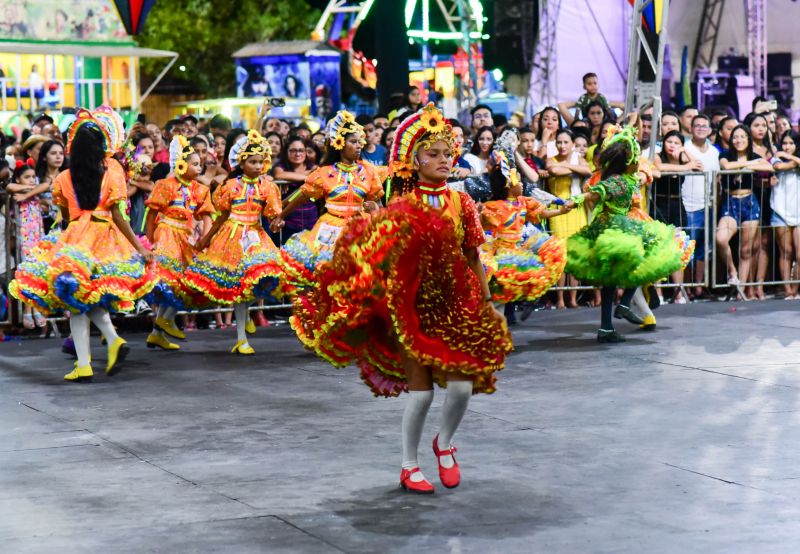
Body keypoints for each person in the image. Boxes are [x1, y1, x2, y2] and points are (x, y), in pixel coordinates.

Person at [288, 104, 512, 493]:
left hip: (455, 303)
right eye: (433, 154)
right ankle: (409, 465)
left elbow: (473, 254)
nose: (443, 160)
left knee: (461, 387)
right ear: (415, 161)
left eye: (447, 154)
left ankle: (444, 444)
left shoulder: (464, 204)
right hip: (413, 306)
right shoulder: (402, 208)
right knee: (421, 393)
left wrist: (487, 302)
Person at [9, 106, 156, 381]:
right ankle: (102, 347)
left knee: (76, 299)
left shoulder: (64, 178)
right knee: (84, 298)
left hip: (77, 237)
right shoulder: (111, 173)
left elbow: (65, 216)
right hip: (108, 238)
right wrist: (139, 247)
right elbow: (118, 215)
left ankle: (93, 356)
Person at [566, 126, 694, 343]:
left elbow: (645, 175)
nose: (638, 163)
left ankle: (609, 324)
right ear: (627, 161)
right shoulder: (616, 181)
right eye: (635, 159)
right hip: (616, 229)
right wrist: (574, 201)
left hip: (612, 227)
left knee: (613, 279)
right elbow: (595, 192)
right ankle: (621, 308)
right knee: (643, 260)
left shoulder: (626, 178)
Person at [183, 130, 283, 354]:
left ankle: (246, 315)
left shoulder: (268, 187)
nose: (257, 166)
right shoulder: (229, 187)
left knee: (262, 275)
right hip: (232, 237)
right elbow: (219, 219)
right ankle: (241, 338)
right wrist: (205, 241)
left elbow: (273, 216)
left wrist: (277, 223)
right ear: (242, 162)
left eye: (260, 162)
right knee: (239, 287)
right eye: (252, 161)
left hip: (256, 236)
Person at [274, 111, 383, 292]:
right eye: (353, 142)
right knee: (329, 279)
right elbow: (304, 195)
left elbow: (376, 203)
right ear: (340, 144)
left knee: (359, 279)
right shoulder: (324, 173)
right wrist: (281, 214)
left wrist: (374, 210)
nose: (359, 146)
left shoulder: (368, 172)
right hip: (330, 229)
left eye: (359, 142)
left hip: (360, 226)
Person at [143, 136, 215, 350]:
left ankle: (158, 330)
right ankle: (163, 323)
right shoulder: (166, 185)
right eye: (195, 164)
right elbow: (152, 212)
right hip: (167, 234)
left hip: (186, 237)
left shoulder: (200, 190)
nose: (199, 167)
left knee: (187, 282)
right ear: (181, 165)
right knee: (171, 280)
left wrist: (206, 239)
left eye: (200, 164)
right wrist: (151, 236)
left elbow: (207, 216)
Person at [480, 150, 570, 308]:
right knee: (498, 297)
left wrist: (561, 211)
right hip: (501, 254)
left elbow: (541, 213)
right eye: (519, 182)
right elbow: (482, 225)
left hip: (518, 250)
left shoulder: (523, 202)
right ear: (509, 186)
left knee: (515, 288)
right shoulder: (493, 207)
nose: (522, 184)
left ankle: (510, 316)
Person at [716, 125, 774, 297]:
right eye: (735, 137)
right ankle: (732, 272)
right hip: (730, 202)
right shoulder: (725, 155)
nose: (739, 140)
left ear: (748, 139)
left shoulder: (757, 156)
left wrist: (751, 163)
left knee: (746, 250)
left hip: (749, 202)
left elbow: (770, 168)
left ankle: (740, 292)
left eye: (743, 137)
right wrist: (750, 164)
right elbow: (726, 167)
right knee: (721, 239)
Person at [546, 129, 592, 308]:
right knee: (559, 254)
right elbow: (554, 170)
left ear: (573, 144)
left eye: (566, 142)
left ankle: (572, 298)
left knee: (573, 253)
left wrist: (571, 167)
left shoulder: (578, 159)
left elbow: (587, 170)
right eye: (559, 142)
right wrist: (574, 170)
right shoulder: (552, 159)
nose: (562, 146)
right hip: (558, 209)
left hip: (576, 209)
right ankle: (559, 299)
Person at [6, 159, 46, 329]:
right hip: (24, 239)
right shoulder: (18, 193)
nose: (31, 180)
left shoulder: (34, 192)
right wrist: (30, 190)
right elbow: (10, 187)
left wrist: (29, 191)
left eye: (33, 177)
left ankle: (37, 309)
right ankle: (27, 311)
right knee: (26, 275)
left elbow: (45, 185)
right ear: (18, 179)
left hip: (38, 238)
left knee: (38, 274)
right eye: (27, 177)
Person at [682, 114, 720, 299]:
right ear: (690, 128)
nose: (700, 128)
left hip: (708, 204)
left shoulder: (714, 151)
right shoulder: (685, 148)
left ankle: (699, 285)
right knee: (688, 249)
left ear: (710, 130)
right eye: (697, 125)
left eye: (704, 126)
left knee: (705, 249)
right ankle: (686, 287)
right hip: (688, 204)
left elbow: (717, 178)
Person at [272, 136, 319, 243]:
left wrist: (292, 177)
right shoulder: (280, 167)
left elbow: (318, 173)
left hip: (311, 220)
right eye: (293, 150)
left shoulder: (313, 166)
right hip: (288, 221)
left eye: (301, 150)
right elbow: (279, 175)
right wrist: (307, 177)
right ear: (286, 152)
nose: (297, 154)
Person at [770, 131, 800, 298]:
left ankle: (796, 288)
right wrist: (793, 162)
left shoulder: (793, 159)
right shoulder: (776, 158)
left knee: (799, 254)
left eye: (791, 143)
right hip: (779, 210)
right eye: (785, 143)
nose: (787, 147)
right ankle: (787, 289)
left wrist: (793, 160)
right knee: (786, 252)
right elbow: (778, 166)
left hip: (798, 211)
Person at [34, 139, 67, 231]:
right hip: (41, 225)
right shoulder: (36, 179)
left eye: (61, 153)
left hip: (65, 226)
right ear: (44, 157)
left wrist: (46, 202)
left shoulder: (68, 177)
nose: (58, 157)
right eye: (53, 153)